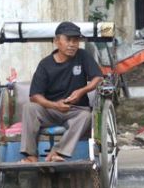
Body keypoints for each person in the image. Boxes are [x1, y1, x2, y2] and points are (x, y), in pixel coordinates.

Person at [19, 22, 103, 163]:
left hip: (76, 110)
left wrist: (82, 91)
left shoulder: (83, 56)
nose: (72, 44)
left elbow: (98, 78)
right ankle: (31, 155)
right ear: (56, 41)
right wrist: (54, 105)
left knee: (87, 116)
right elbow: (35, 96)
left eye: (75, 40)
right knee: (29, 108)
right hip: (50, 110)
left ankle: (58, 152)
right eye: (68, 40)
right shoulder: (45, 64)